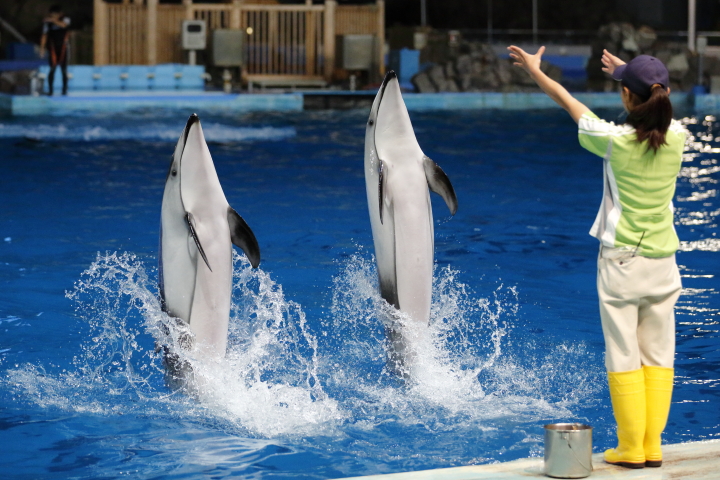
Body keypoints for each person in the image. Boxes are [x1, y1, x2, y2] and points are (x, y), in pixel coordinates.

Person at [508, 45, 684, 470]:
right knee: (658, 354)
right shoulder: (679, 138)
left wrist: (535, 70)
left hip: (622, 262)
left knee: (623, 353)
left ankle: (630, 448)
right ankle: (652, 445)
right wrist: (628, 72)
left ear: (626, 97)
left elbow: (568, 101)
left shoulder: (614, 142)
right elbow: (648, 98)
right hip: (664, 262)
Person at [39, 4, 71, 96]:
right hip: (53, 48)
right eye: (51, 14)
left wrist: (53, 20)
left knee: (63, 69)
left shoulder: (66, 19)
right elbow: (44, 35)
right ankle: (50, 91)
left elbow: (64, 25)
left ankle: (64, 90)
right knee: (52, 69)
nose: (52, 16)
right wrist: (42, 48)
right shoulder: (47, 23)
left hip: (64, 48)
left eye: (54, 14)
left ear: (59, 14)